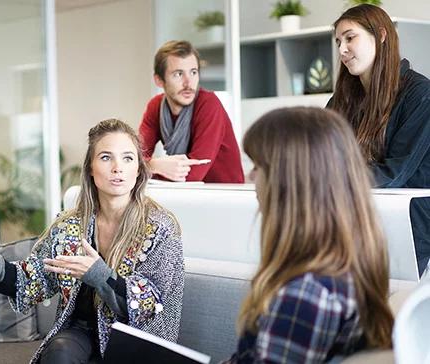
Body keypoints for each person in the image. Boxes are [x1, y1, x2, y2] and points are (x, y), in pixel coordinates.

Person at [0, 119, 184, 363]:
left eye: (127, 158)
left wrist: (100, 276)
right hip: (81, 334)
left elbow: (151, 305)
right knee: (60, 351)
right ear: (90, 168)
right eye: (105, 157)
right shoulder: (70, 226)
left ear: (139, 169)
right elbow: (31, 281)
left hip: (135, 341)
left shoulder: (161, 228)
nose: (117, 167)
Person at [225, 107, 393, 363]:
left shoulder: (306, 294)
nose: (250, 176)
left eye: (258, 166)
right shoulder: (344, 268)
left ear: (289, 183)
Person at [328, 4, 430, 276]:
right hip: (356, 218)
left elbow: (395, 172)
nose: (342, 50)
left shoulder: (420, 94)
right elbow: (320, 155)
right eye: (339, 41)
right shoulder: (341, 100)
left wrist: (329, 178)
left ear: (381, 35)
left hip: (409, 226)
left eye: (350, 38)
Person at [139, 40, 243, 183]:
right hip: (187, 194)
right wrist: (154, 165)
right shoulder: (155, 106)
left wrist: (149, 167)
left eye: (193, 72)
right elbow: (134, 159)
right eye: (178, 74)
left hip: (225, 195)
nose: (188, 83)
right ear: (159, 80)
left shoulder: (208, 104)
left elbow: (193, 174)